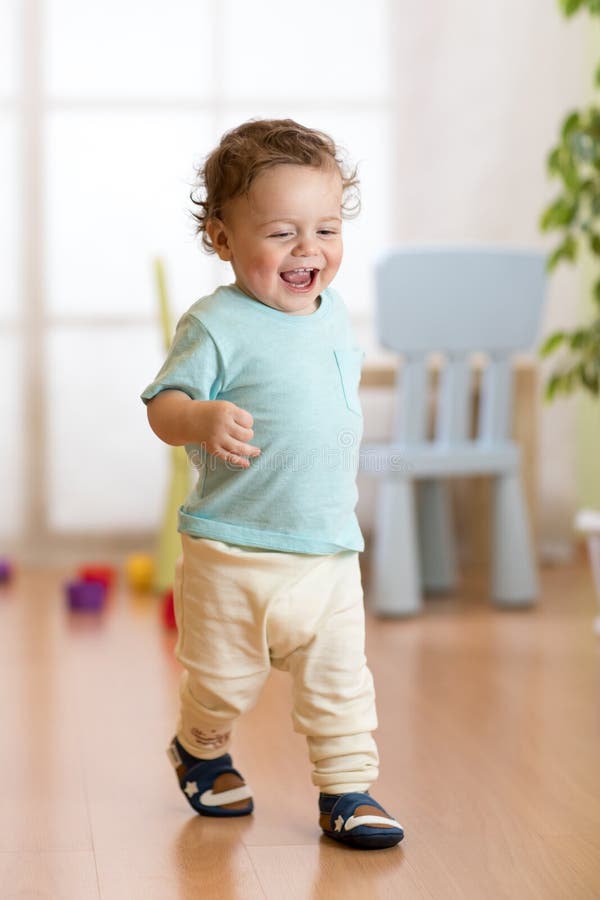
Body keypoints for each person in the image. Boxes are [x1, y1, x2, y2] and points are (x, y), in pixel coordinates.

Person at [141, 119, 404, 850]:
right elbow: (163, 409)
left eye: (326, 229)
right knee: (222, 682)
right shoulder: (216, 324)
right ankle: (200, 745)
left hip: (326, 548)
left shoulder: (336, 314)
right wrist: (200, 415)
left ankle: (347, 791)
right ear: (223, 239)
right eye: (283, 232)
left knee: (340, 684)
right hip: (233, 549)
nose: (308, 251)